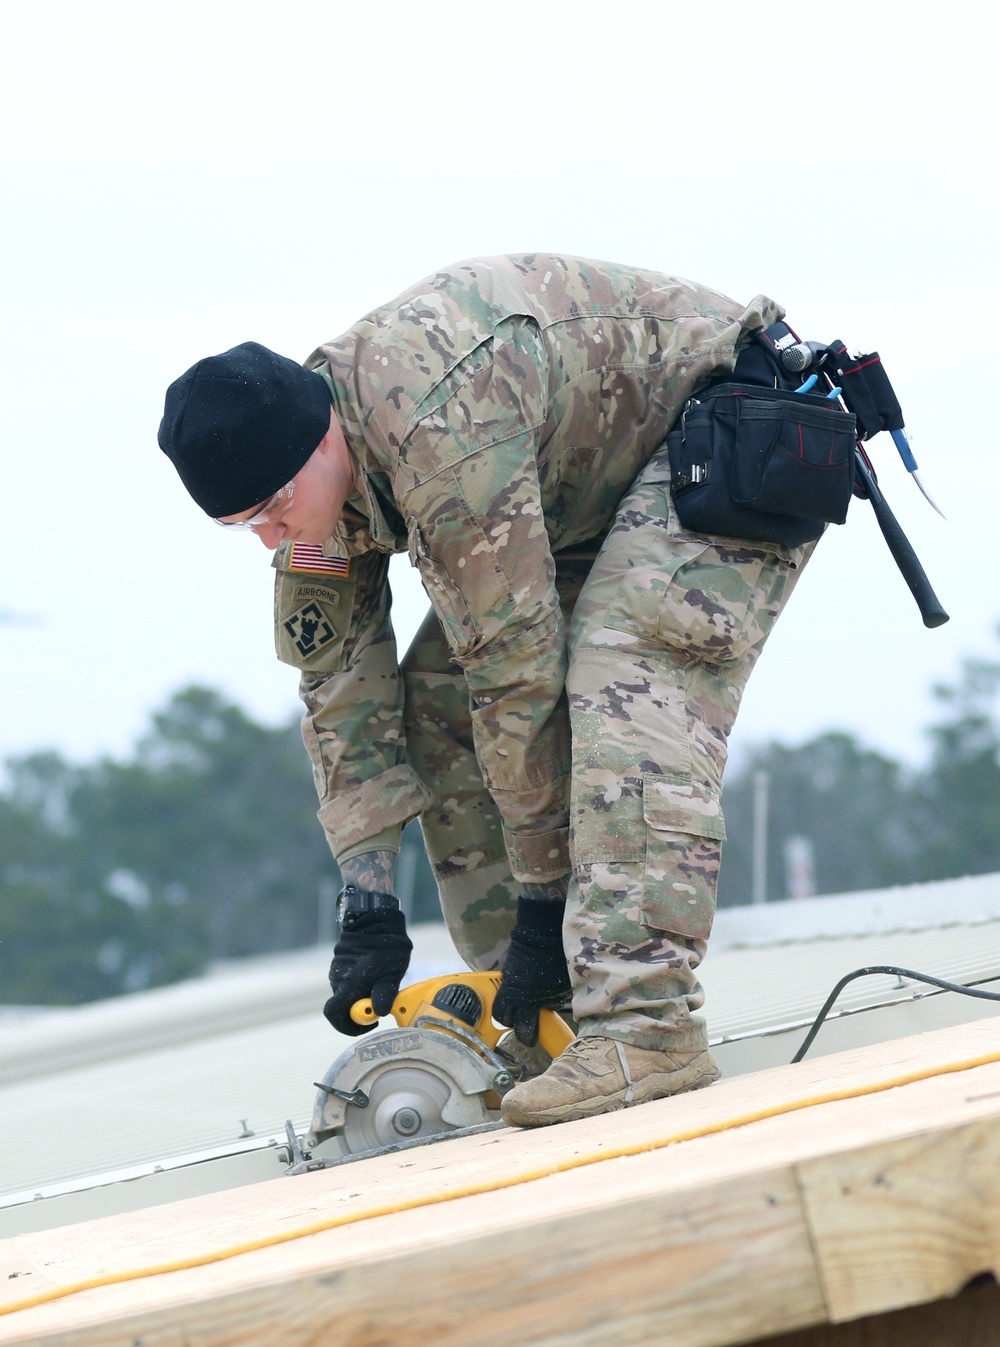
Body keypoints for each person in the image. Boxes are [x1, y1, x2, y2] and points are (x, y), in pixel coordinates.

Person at [158, 253, 816, 1127]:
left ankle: (645, 1025)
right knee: (438, 712)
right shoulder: (301, 490)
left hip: (729, 426)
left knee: (624, 684)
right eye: (242, 526)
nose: (270, 536)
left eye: (274, 509)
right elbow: (340, 691)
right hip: (585, 496)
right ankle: (554, 1018)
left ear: (323, 440)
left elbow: (516, 674)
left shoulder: (436, 424)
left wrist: (545, 896)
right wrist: (368, 898)